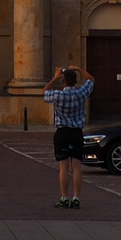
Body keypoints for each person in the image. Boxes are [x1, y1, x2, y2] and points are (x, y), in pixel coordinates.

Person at [42, 65, 94, 208]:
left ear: (64, 81)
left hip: (63, 132)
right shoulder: (81, 93)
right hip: (77, 132)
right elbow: (91, 79)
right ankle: (76, 197)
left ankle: (64, 197)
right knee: (76, 167)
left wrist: (55, 77)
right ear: (75, 81)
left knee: (63, 167)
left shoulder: (58, 95)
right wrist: (78, 69)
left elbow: (45, 92)